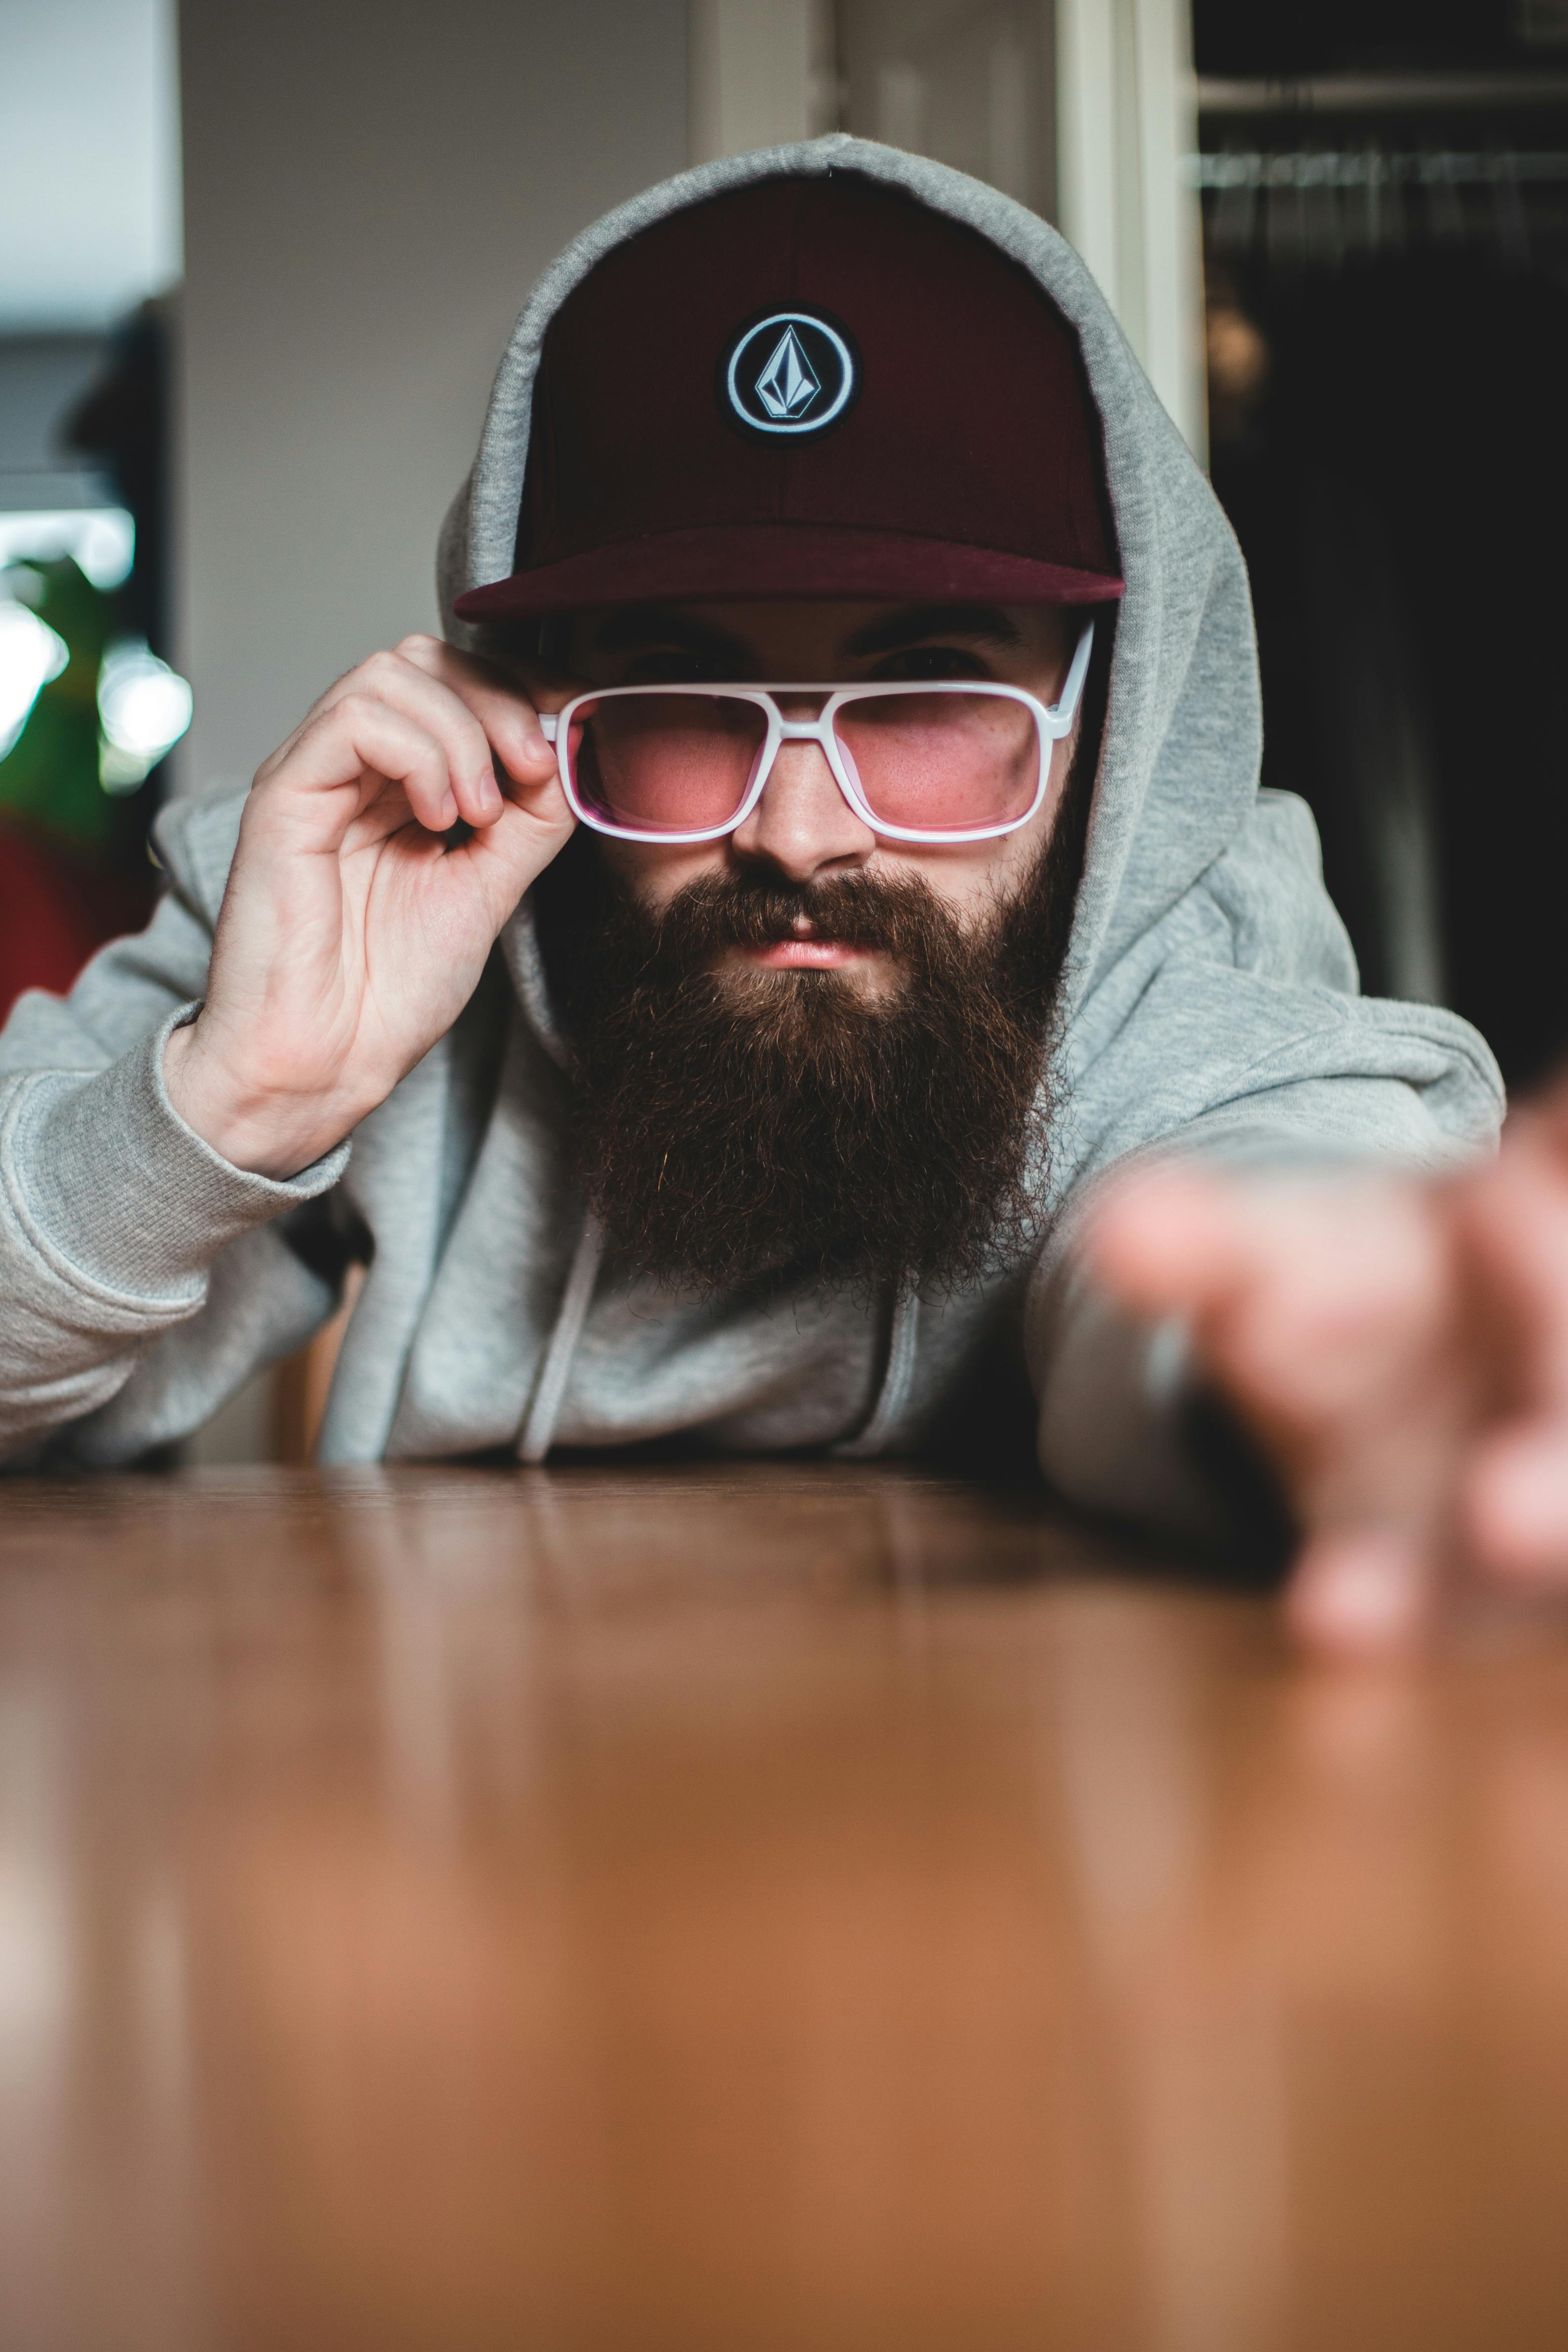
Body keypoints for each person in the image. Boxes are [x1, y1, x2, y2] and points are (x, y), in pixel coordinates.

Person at [0, 140, 1524, 1648]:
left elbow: (1263, 1212)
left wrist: (1314, 1360)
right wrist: (231, 1105)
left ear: (1103, 729)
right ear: (531, 705)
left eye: (922, 691)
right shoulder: (366, 913)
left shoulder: (1191, 982)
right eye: (683, 692)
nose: (798, 833)